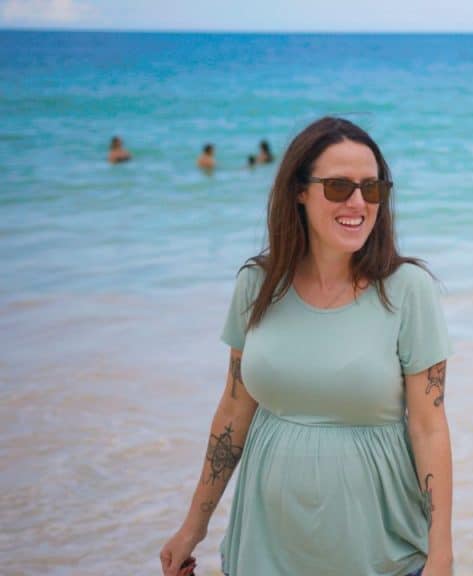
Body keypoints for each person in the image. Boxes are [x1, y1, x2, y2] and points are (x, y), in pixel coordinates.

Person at [160, 117, 454, 576]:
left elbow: (429, 428)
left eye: (371, 188)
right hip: (264, 550)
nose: (358, 202)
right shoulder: (256, 285)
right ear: (299, 190)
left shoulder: (409, 290)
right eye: (338, 187)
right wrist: (192, 528)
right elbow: (234, 412)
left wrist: (441, 555)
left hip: (380, 554)